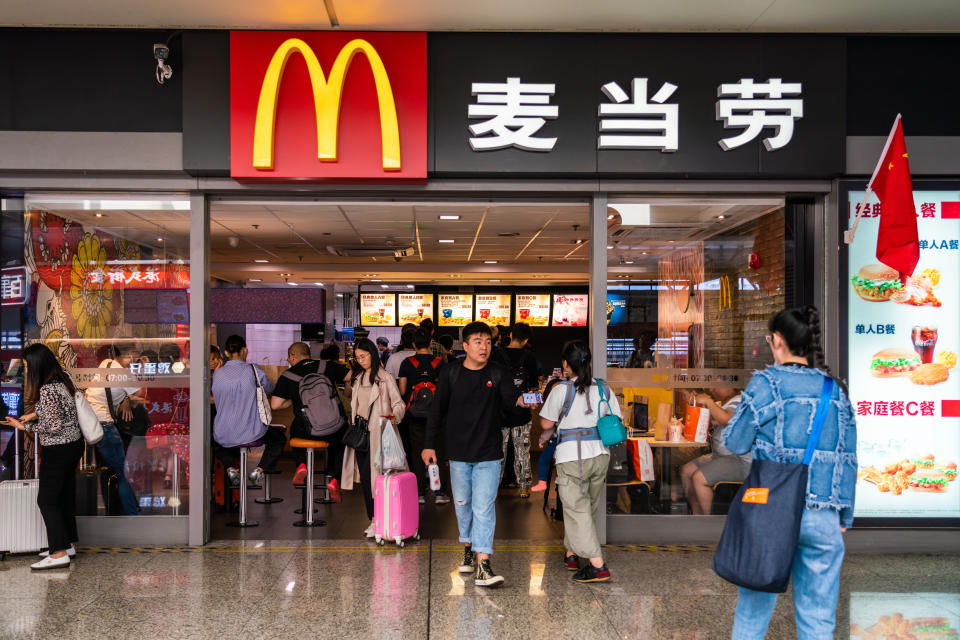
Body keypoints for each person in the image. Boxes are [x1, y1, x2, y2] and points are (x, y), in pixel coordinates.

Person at [723, 306, 857, 639]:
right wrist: (844, 516)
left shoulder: (767, 382)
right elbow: (849, 458)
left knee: (753, 615)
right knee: (818, 619)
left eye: (770, 339)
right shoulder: (835, 390)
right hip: (824, 516)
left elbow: (735, 442)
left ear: (779, 340)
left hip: (772, 513)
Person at [423, 322, 527, 588]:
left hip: (489, 453)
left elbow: (510, 409)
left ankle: (483, 565)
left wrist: (521, 404)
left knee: (484, 507)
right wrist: (429, 444)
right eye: (478, 342)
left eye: (488, 342)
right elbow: (437, 412)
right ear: (465, 346)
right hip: (458, 453)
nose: (484, 347)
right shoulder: (451, 373)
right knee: (463, 505)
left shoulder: (498, 372)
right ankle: (468, 549)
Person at [537, 340, 617, 583]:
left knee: (576, 509)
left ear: (565, 364)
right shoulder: (604, 388)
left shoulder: (561, 390)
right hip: (600, 454)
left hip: (572, 457)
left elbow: (546, 424)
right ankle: (572, 553)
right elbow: (614, 418)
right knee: (587, 508)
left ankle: (597, 565)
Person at [2, 344, 84, 570]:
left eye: (28, 366)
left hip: (57, 449)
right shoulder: (62, 378)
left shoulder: (47, 388)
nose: (27, 371)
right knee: (64, 496)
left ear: (38, 365)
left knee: (47, 500)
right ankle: (66, 545)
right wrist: (34, 414)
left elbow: (54, 425)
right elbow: (63, 408)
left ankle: (58, 553)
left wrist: (24, 426)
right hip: (73, 444)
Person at [341, 338, 406, 537]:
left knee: (381, 481)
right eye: (358, 357)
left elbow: (399, 404)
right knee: (368, 481)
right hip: (361, 437)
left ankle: (385, 521)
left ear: (372, 354)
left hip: (382, 436)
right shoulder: (359, 378)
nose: (361, 360)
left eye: (364, 356)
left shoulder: (384, 377)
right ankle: (374, 519)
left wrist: (394, 417)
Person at [271, 342, 346, 498]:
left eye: (289, 358)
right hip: (334, 427)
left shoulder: (288, 375)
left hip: (308, 430)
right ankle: (334, 479)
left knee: (295, 430)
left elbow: (275, 405)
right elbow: (352, 376)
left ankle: (301, 464)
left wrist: (293, 399)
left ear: (292, 356)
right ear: (308, 353)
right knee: (339, 442)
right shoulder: (327, 366)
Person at [211, 335, 285, 487]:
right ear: (245, 350)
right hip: (252, 432)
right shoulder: (254, 370)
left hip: (223, 433)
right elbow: (271, 389)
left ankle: (230, 467)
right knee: (278, 439)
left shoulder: (217, 374)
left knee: (215, 441)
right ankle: (258, 470)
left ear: (225, 353)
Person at [84, 342, 141, 515]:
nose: (136, 360)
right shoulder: (125, 374)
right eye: (135, 355)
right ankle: (133, 514)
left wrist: (124, 398)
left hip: (90, 423)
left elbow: (107, 389)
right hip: (105, 426)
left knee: (113, 470)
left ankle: (120, 510)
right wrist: (127, 399)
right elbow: (139, 397)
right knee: (123, 473)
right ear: (129, 355)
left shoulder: (106, 364)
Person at [397, 328, 449, 505]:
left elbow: (403, 391)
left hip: (414, 415)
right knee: (439, 452)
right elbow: (444, 391)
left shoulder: (407, 363)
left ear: (413, 344)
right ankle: (440, 492)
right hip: (437, 415)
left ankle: (419, 492)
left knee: (417, 452)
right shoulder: (440, 363)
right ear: (430, 343)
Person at [679, 387, 747, 515]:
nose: (712, 389)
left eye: (717, 385)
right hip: (720, 456)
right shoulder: (724, 403)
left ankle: (707, 522)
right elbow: (710, 421)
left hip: (738, 458)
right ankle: (696, 515)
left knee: (699, 478)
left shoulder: (739, 401)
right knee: (687, 471)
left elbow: (726, 419)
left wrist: (708, 402)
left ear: (730, 385)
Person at [499, 322, 540, 498]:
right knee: (522, 452)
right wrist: (531, 402)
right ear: (525, 340)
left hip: (499, 415)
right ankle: (524, 487)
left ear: (510, 335)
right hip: (522, 416)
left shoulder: (496, 355)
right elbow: (533, 390)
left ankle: (493, 487)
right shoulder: (529, 358)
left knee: (497, 454)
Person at [530, 378, 562, 492]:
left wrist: (542, 439)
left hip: (557, 442)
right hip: (566, 442)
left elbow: (549, 428)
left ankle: (542, 482)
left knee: (543, 460)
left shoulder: (554, 408)